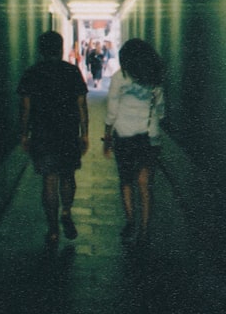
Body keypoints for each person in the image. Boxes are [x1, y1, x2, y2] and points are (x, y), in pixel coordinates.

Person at [18, 31, 90, 246]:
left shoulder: (32, 73)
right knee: (67, 176)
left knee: (49, 179)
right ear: (60, 49)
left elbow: (25, 107)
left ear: (40, 50)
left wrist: (23, 134)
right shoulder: (72, 71)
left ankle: (52, 230)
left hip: (42, 133)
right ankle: (66, 211)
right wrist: (84, 132)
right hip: (67, 132)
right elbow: (81, 105)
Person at [102, 38, 165, 247]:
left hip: (125, 136)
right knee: (145, 185)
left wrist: (107, 135)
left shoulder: (120, 77)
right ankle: (145, 230)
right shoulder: (153, 78)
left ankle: (130, 221)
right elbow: (161, 109)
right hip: (149, 136)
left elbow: (112, 110)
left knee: (126, 181)